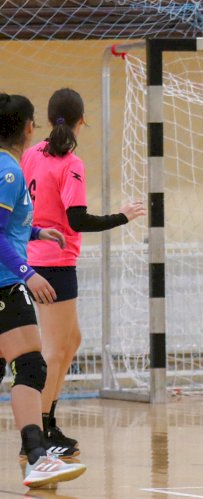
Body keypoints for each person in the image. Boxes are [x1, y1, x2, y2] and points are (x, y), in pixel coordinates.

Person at [21, 88, 146, 454]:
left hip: (32, 258)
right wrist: (122, 216)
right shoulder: (71, 163)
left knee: (70, 342)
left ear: (48, 118)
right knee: (54, 351)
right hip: (54, 264)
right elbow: (77, 221)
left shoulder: (30, 154)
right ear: (81, 121)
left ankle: (47, 423)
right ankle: (38, 432)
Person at [0, 92, 87, 487]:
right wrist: (27, 272)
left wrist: (35, 231)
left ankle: (37, 454)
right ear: (29, 126)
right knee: (33, 365)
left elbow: (10, 226)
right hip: (5, 282)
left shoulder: (13, 166)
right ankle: (37, 455)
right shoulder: (9, 171)